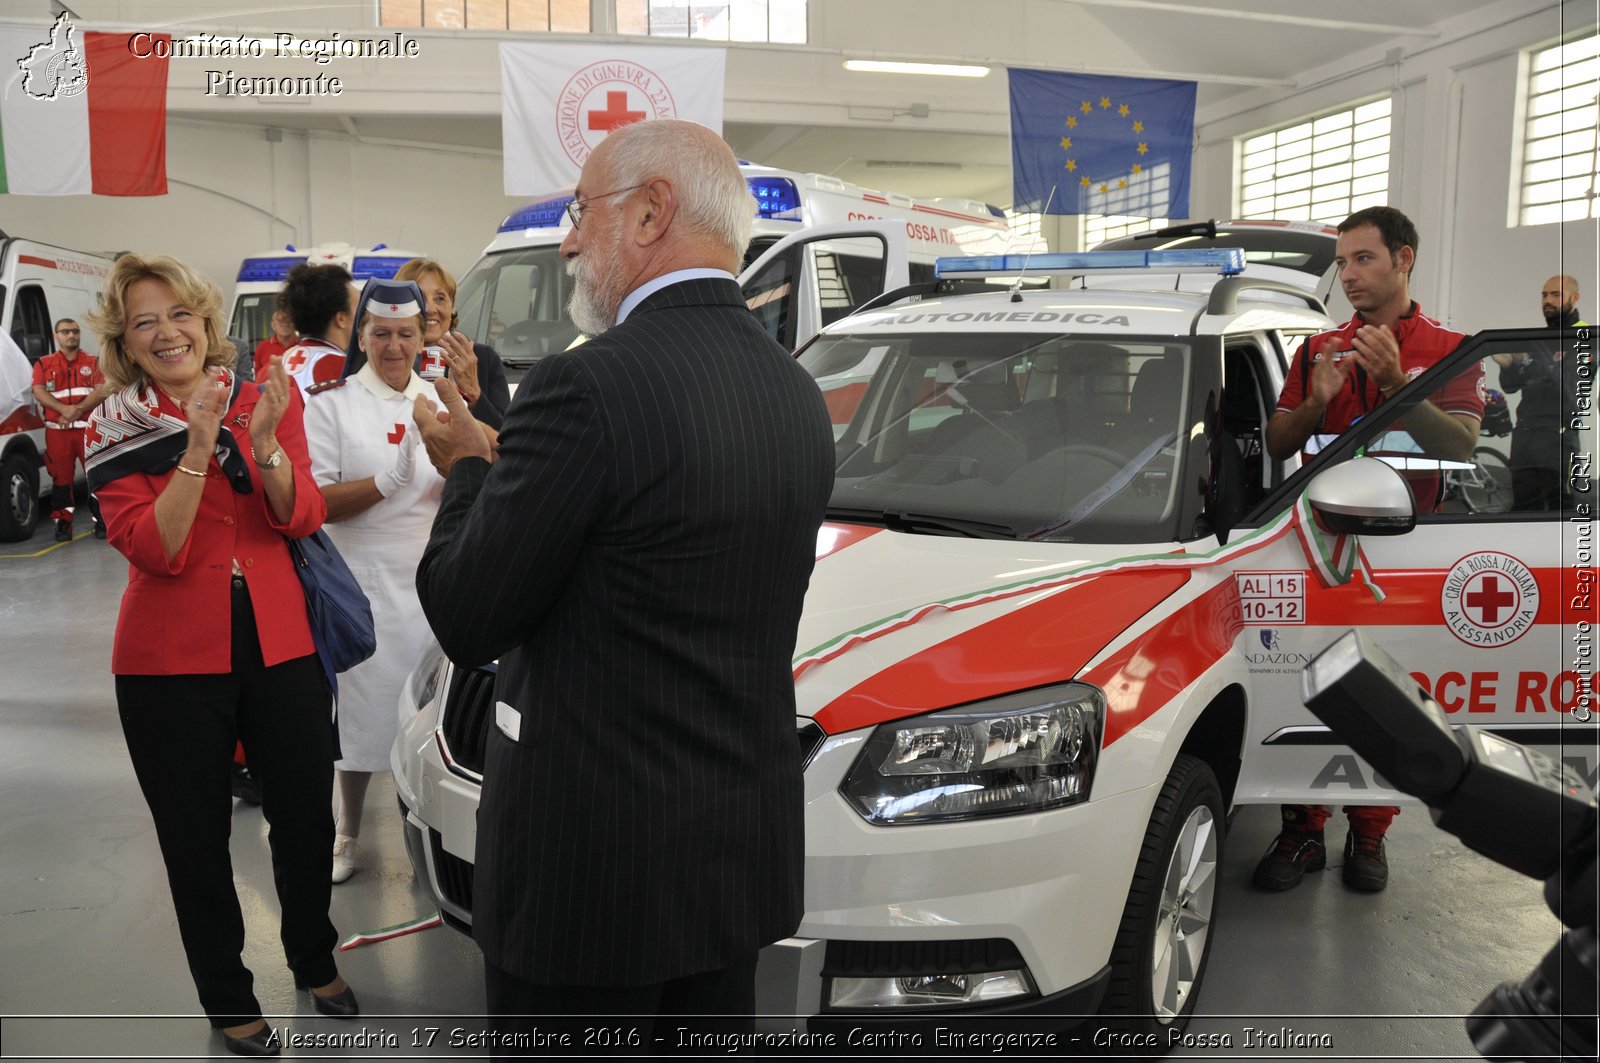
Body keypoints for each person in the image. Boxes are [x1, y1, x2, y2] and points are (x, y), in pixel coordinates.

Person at [411, 119, 834, 1045]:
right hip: (731, 863)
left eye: (579, 212)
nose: (568, 240)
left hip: (592, 881)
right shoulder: (796, 392)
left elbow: (470, 614)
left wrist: (468, 470)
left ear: (650, 214)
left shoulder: (586, 387)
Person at [82, 253, 358, 1057]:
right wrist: (199, 444)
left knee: (305, 813)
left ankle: (312, 952)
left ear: (207, 322)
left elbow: (302, 514)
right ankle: (227, 993)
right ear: (126, 344)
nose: (168, 332)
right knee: (195, 836)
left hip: (280, 638)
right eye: (145, 322)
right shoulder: (114, 427)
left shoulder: (266, 396)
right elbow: (156, 549)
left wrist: (264, 442)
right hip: (166, 659)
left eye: (180, 314)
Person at [1260, 205, 1482, 894]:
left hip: (1406, 559)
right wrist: (1313, 400)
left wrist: (1395, 386)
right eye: (1343, 262)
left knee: (1391, 700)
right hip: (1319, 553)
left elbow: (1462, 445)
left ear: (1404, 259)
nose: (1349, 275)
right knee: (1309, 689)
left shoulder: (1452, 348)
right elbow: (1277, 443)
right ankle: (1301, 829)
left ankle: (1370, 832)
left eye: (1364, 259)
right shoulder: (1316, 350)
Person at [302, 279, 445, 884]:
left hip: (431, 587)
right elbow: (313, 503)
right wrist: (385, 483)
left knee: (429, 721)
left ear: (421, 337)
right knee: (357, 721)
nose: (393, 346)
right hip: (360, 588)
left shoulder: (439, 402)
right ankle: (347, 831)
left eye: (405, 334)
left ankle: (429, 836)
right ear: (360, 335)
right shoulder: (330, 403)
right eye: (381, 333)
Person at [339, 258, 511, 430]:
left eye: (440, 298)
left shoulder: (482, 358)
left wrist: (474, 393)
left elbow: (506, 438)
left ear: (452, 307)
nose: (429, 308)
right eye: (419, 297)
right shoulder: (386, 356)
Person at [1495, 275, 1586, 511]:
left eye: (1556, 294)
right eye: (1544, 295)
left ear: (1574, 298)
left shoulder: (1585, 337)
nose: (1548, 300)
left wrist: (1525, 360)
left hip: (1558, 439)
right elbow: (1512, 386)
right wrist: (1508, 366)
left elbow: (1568, 390)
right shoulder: (1538, 338)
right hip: (1524, 435)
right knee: (1522, 509)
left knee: (1560, 513)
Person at [31, 318, 109, 540]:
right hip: (58, 432)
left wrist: (77, 410)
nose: (71, 335)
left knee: (96, 477)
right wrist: (64, 409)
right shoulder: (44, 364)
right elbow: (38, 391)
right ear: (56, 336)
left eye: (75, 331)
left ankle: (102, 522)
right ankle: (63, 525)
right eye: (65, 332)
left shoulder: (94, 362)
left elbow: (102, 390)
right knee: (61, 481)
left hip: (88, 431)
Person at [278, 264, 357, 393]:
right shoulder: (346, 372)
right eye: (359, 307)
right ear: (341, 319)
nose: (364, 316)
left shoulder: (275, 366)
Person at [252, 307, 299, 381]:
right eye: (280, 321)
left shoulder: (303, 346)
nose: (285, 324)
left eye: (289, 321)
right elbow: (258, 378)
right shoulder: (262, 347)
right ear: (273, 325)